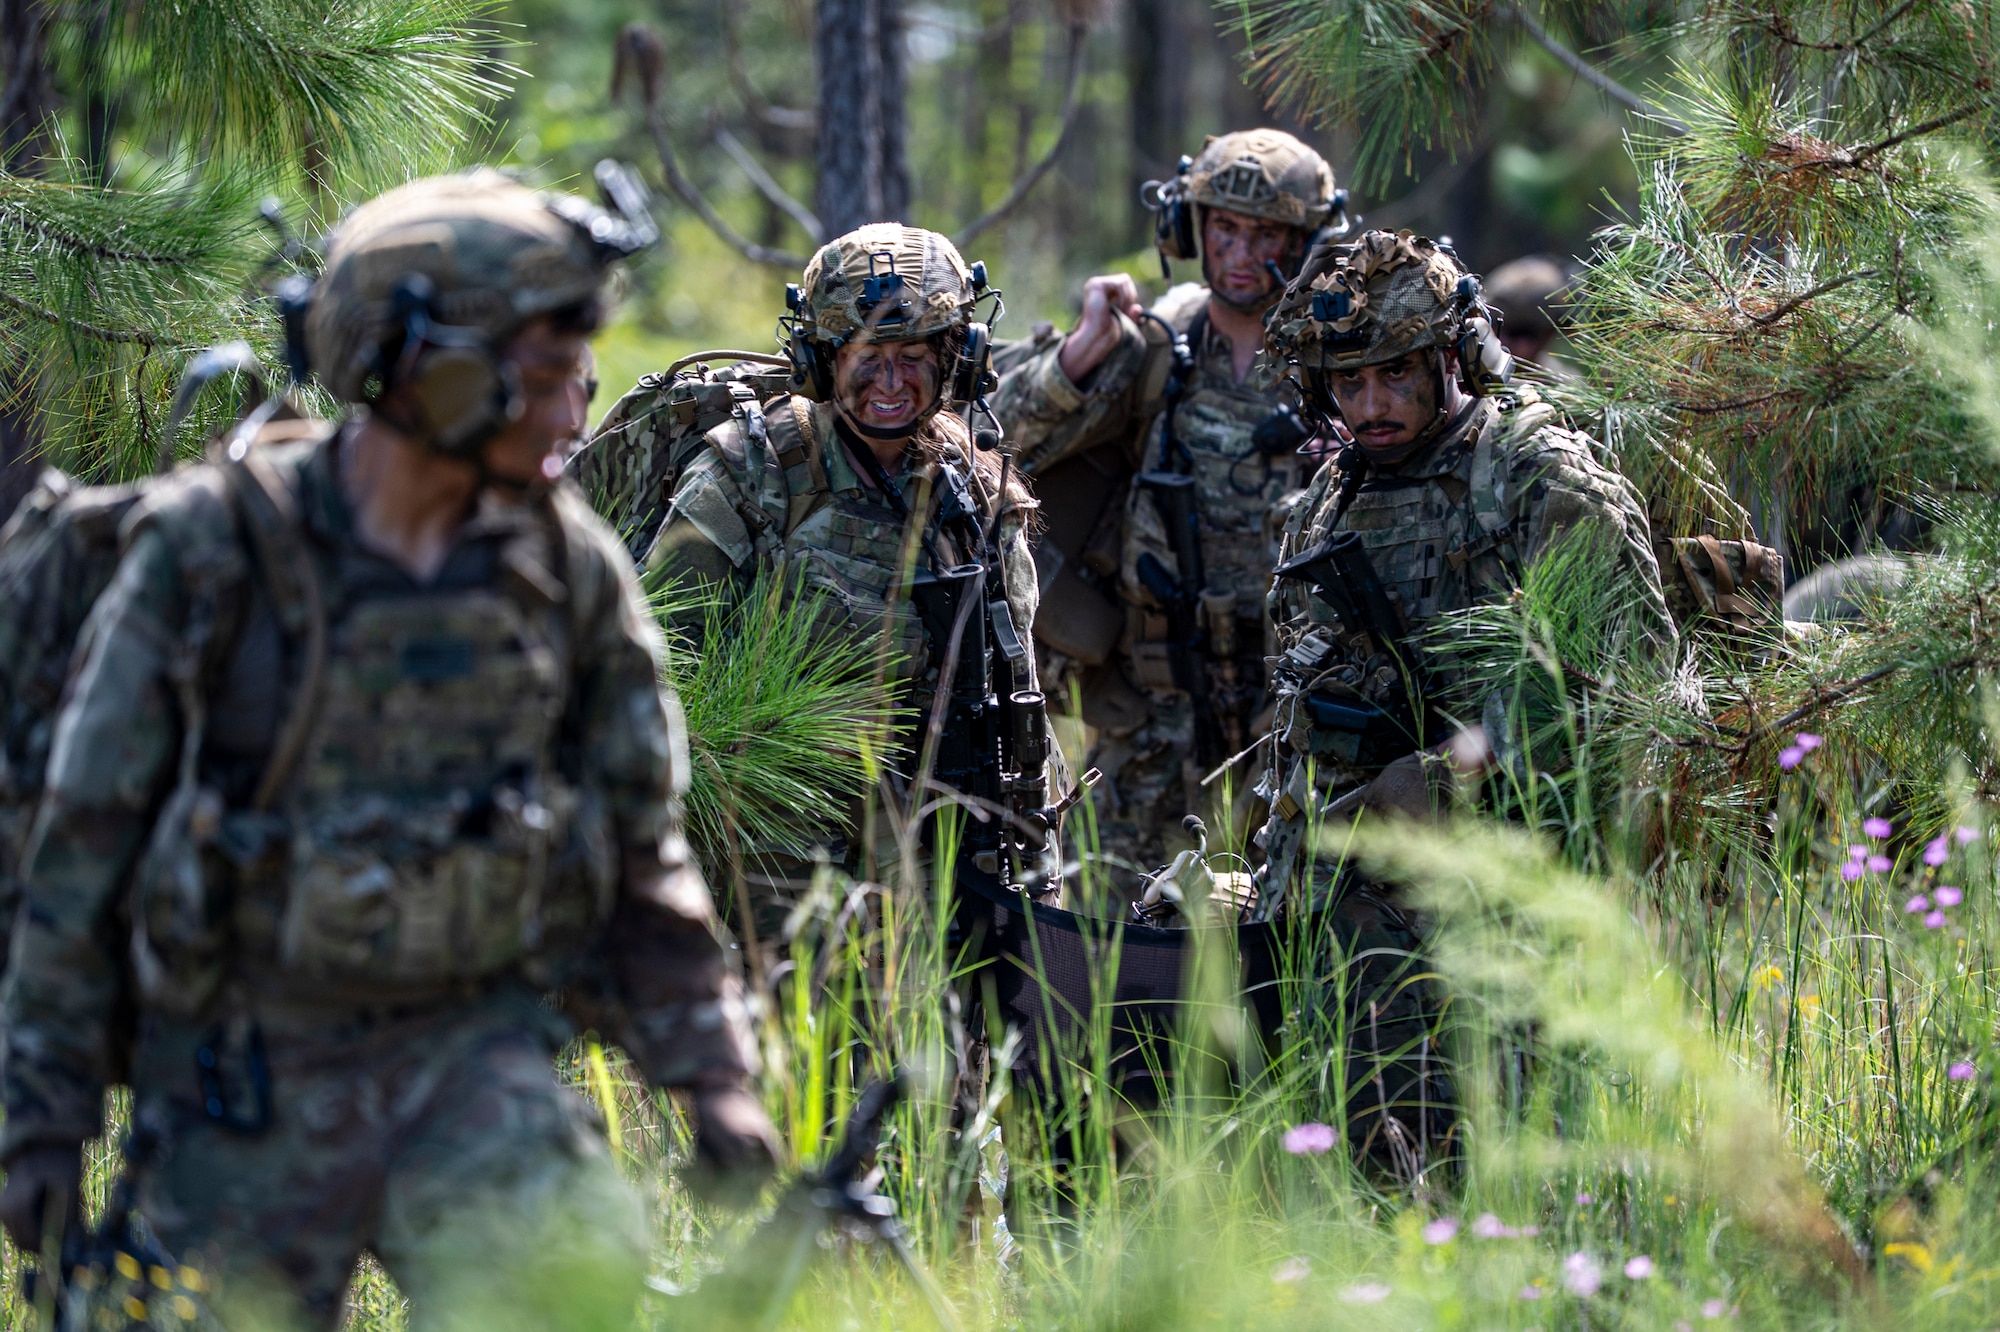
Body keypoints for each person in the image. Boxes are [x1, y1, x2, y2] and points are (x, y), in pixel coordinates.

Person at [0, 170, 777, 1330]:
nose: (575, 418)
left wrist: (712, 1077)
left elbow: (640, 842)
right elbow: (82, 837)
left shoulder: (564, 570)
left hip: (471, 1059)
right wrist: (42, 1118)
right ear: (435, 372)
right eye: (547, 380)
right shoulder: (215, 551)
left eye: (581, 378)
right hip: (241, 1072)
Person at [1254, 228, 1674, 1173]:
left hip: (1507, 904)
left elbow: (1633, 685)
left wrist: (1451, 776)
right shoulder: (1332, 493)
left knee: (1498, 1173)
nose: (1371, 404)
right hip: (1352, 913)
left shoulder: (1534, 477)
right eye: (1347, 384)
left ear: (1448, 359)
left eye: (1395, 376)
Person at [628, 222, 1057, 934]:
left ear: (958, 357)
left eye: (914, 357)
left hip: (940, 835)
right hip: (773, 846)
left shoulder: (977, 493)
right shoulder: (751, 473)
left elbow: (1020, 687)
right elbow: (656, 656)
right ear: (822, 360)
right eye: (868, 357)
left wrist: (1036, 844)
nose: (890, 383)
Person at [988, 128, 1348, 889]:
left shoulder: (1348, 370)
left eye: (1267, 233)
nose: (1242, 252)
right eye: (1224, 228)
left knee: (1280, 956)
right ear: (1190, 231)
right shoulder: (1159, 348)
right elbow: (988, 441)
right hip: (1152, 725)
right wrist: (1080, 353)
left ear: (1309, 240)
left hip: (1292, 726)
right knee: (1105, 955)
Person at [1481, 255, 1574, 376]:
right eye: (1495, 324)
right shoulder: (1457, 377)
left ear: (1547, 335)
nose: (1503, 340)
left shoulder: (1561, 389)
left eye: (1519, 331)